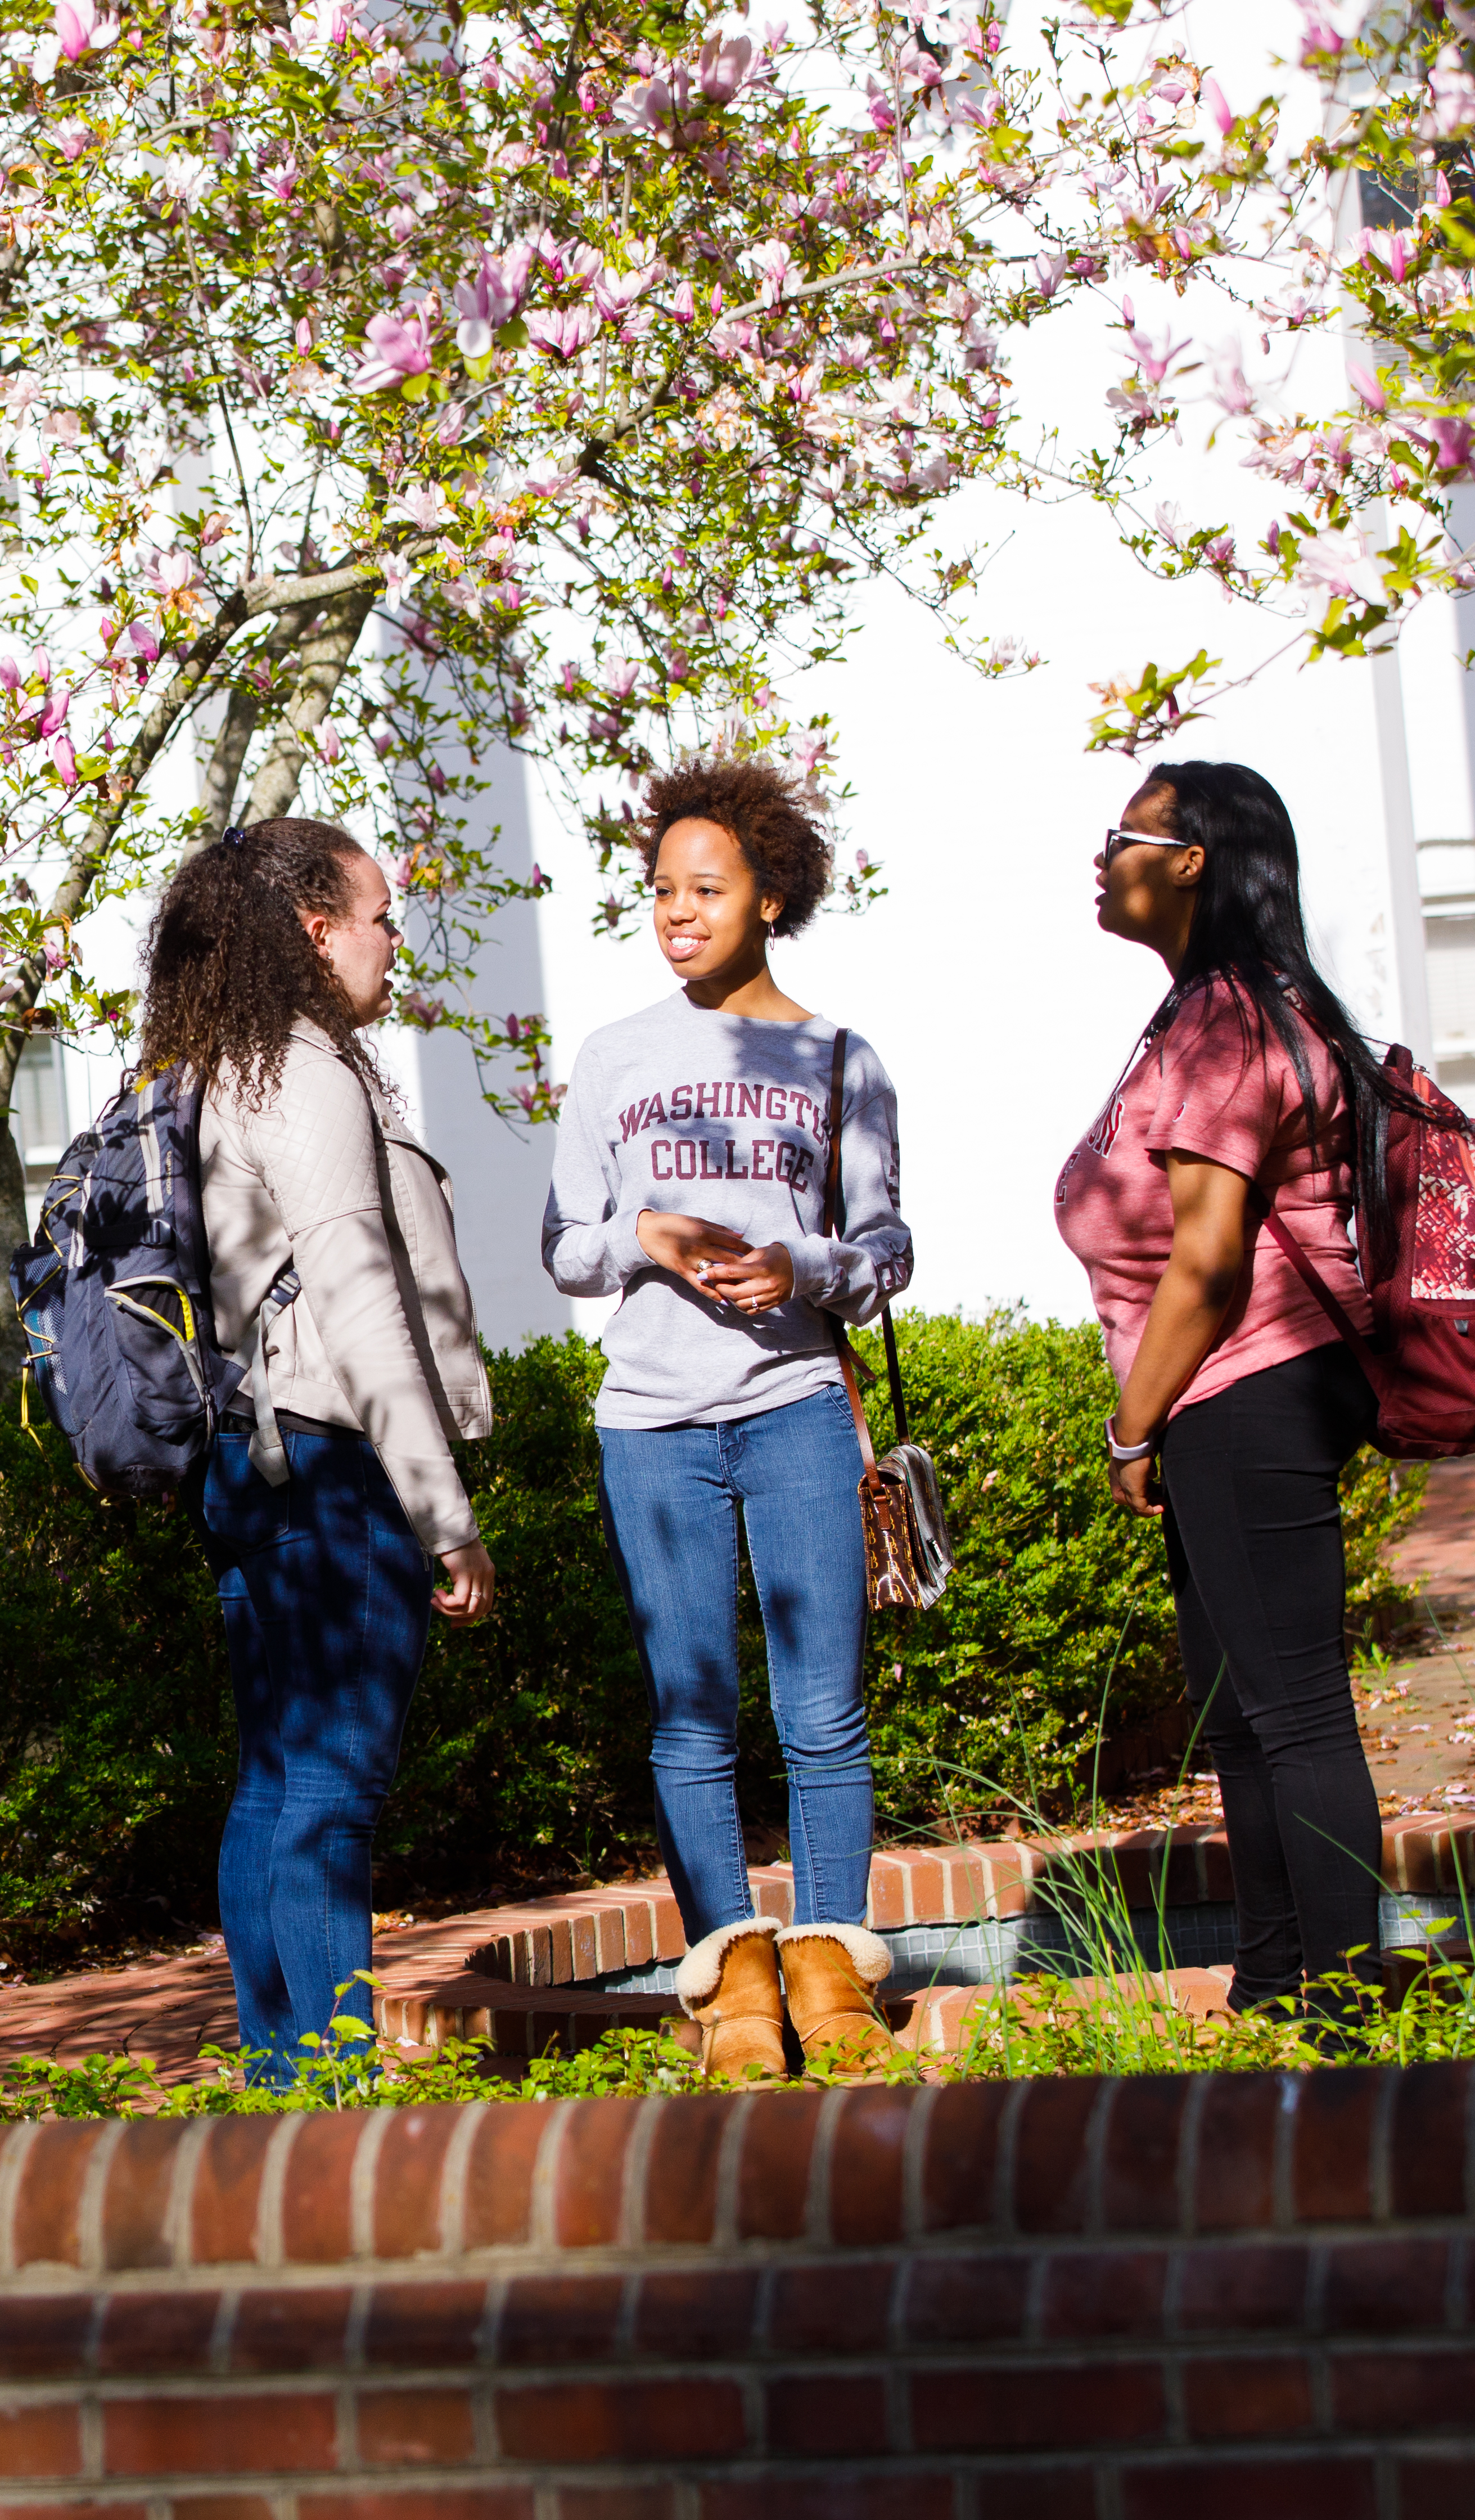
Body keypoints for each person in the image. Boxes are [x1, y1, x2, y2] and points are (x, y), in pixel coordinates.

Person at [541, 758, 913, 2079]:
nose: (677, 911)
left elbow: (886, 1251)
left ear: (770, 898)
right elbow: (564, 1247)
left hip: (795, 1406)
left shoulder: (836, 1058)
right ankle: (734, 1988)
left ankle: (829, 1977)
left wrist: (797, 1266)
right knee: (689, 1715)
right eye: (660, 890)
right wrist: (643, 1232)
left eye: (707, 888)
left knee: (824, 1714)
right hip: (650, 1422)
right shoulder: (613, 1056)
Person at [146, 815, 498, 2081]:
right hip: (335, 1466)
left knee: (277, 1776)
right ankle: (330, 2082)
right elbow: (361, 1306)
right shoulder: (300, 1069)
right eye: (382, 915)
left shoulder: (218, 1068)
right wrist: (441, 1509)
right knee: (332, 1786)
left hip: (252, 1462)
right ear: (316, 928)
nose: (393, 941)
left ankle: (278, 2070)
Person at [1056, 760, 1400, 2032]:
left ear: (1191, 858)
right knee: (1247, 1725)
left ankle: (1355, 2016)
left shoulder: (1226, 1021)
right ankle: (1277, 1989)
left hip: (1243, 1388)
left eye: (1123, 834)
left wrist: (1128, 1425)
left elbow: (1206, 1263)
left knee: (1296, 1715)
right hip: (1231, 1399)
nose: (1103, 857)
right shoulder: (1216, 1009)